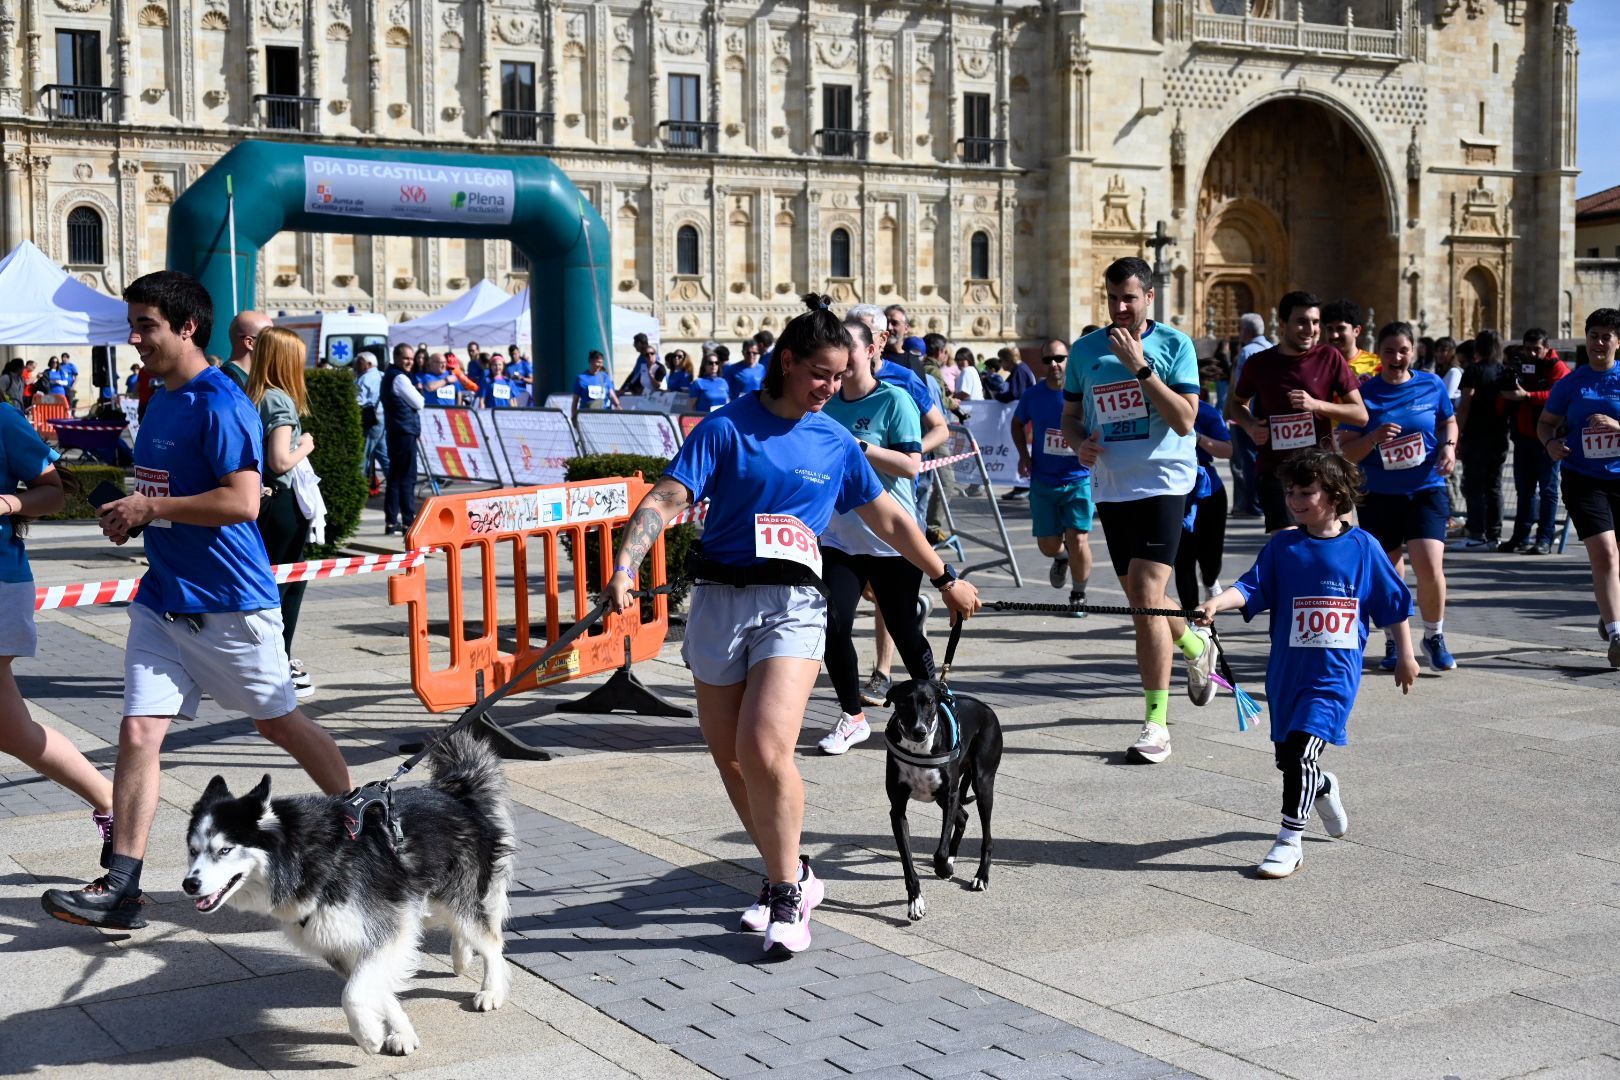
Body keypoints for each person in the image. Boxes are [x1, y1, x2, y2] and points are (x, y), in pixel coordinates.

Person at [602, 294, 981, 958]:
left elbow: (888, 517)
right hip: (721, 600)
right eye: (821, 376)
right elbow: (665, 498)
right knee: (729, 758)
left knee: (765, 747)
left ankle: (783, 891)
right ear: (788, 361)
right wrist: (627, 566)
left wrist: (945, 576)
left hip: (795, 605)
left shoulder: (832, 438)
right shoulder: (725, 428)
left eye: (839, 377)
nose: (831, 390)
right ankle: (797, 870)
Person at [42, 271, 351, 930]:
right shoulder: (160, 400)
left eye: (146, 325)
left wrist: (150, 506)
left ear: (186, 327)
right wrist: (135, 514)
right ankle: (121, 887)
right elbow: (164, 496)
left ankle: (356, 825)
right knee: (137, 733)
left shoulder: (222, 402)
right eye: (133, 324)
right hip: (163, 601)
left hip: (231, 604)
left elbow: (242, 501)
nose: (134, 338)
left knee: (280, 725)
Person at [1197, 449, 1417, 878]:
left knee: (1299, 752)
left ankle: (1288, 841)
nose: (1296, 500)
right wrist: (1217, 603)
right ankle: (1324, 785)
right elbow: (1250, 588)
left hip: (1334, 676)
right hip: (1285, 674)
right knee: (1290, 759)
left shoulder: (1363, 547)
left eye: (1307, 492)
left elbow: (1392, 605)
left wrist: (1405, 655)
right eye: (1290, 492)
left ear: (1335, 496)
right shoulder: (1283, 545)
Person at [1061, 257, 1217, 764]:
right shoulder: (1085, 351)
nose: (1120, 307)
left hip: (1164, 481)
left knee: (1146, 597)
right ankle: (1196, 647)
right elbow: (1069, 416)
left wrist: (1141, 368)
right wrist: (1079, 442)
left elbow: (1184, 420)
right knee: (1141, 596)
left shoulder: (1175, 345)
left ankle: (1156, 723)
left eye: (1129, 297)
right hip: (1112, 487)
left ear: (1150, 296)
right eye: (1112, 298)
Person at [0, 404, 116, 858]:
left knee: (12, 729)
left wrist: (8, 502)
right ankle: (112, 804)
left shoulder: (3, 420)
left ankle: (114, 804)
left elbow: (54, 491)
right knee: (12, 731)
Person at [816, 314, 934, 756]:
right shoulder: (825, 403)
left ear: (870, 351)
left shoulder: (894, 400)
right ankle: (852, 717)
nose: (844, 356)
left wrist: (858, 446)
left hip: (891, 539)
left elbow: (910, 465)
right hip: (840, 539)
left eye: (851, 346)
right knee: (833, 624)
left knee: (905, 631)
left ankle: (939, 709)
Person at [1336, 321, 1459, 672]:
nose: (1396, 357)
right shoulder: (1365, 394)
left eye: (1403, 350)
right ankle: (1394, 639)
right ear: (1380, 355)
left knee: (1429, 565)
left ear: (1414, 351)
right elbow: (1346, 452)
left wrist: (1449, 447)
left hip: (1426, 488)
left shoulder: (1431, 384)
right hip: (1379, 494)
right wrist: (1373, 437)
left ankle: (1433, 635)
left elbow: (1448, 422)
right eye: (1389, 351)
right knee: (1390, 573)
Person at [845, 304, 951, 705]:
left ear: (880, 341)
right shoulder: (835, 382)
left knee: (891, 600)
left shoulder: (903, 380)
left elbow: (939, 428)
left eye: (867, 334)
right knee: (874, 592)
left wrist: (907, 454)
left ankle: (882, 671)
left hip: (898, 498)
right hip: (848, 514)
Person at [1229, 291, 1368, 533]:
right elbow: (1235, 404)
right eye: (1302, 321)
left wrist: (1317, 405)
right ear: (1282, 324)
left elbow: (1360, 414)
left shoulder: (1329, 357)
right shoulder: (1259, 363)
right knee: (1289, 548)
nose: (1311, 329)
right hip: (1276, 472)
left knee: (1327, 544)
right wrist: (1250, 426)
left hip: (1321, 471)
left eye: (1315, 322)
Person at [1539, 308, 1620, 669]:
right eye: (1593, 336)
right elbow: (1546, 423)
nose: (1599, 343)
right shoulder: (1570, 383)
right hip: (1583, 477)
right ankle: (1617, 634)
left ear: (1618, 342)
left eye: (1606, 336)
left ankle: (1609, 614)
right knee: (1604, 552)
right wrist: (1549, 445)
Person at [246, 327, 319, 697]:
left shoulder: (253, 394)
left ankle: (269, 657)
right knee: (289, 581)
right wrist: (305, 445)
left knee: (271, 579)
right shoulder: (280, 401)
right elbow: (280, 459)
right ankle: (281, 660)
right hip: (283, 500)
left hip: (264, 500)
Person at [1012, 342, 1093, 610]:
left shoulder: (1084, 393)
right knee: (1048, 545)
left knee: (1078, 539)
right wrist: (1024, 455)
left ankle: (1079, 593)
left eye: (1059, 358)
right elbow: (1017, 423)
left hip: (1079, 479)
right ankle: (1060, 558)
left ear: (1069, 359)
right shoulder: (1033, 395)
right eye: (1048, 360)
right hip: (1043, 480)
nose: (1054, 364)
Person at [1500, 329, 1569, 554]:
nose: (1531, 352)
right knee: (1525, 491)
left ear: (1546, 348)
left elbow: (1558, 394)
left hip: (1547, 439)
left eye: (1536, 349)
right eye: (1528, 348)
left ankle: (1545, 539)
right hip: (1523, 437)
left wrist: (1528, 396)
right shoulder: (1521, 364)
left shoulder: (1556, 367)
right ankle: (1520, 537)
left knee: (1548, 490)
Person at [1175, 394, 1233, 613]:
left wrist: (1196, 437)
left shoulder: (1205, 411)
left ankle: (1210, 581)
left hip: (1208, 491)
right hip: (1173, 492)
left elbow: (1228, 451)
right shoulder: (1151, 410)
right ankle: (1192, 616)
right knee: (1183, 560)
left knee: (1211, 560)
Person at [1456, 329, 1510, 550]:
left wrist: (1457, 433)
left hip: (1475, 435)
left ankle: (1476, 533)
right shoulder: (1503, 371)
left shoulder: (1473, 371)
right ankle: (1494, 534)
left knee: (1474, 485)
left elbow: (1465, 403)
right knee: (1494, 485)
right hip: (1498, 434)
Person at [382, 342, 423, 537]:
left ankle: (391, 522)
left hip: (395, 431)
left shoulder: (390, 375)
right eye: (406, 358)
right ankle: (409, 520)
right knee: (407, 477)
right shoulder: (399, 378)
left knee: (395, 478)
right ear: (397, 358)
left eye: (411, 358)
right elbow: (419, 402)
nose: (410, 362)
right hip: (404, 432)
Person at [355, 350, 388, 497]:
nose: (356, 365)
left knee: (363, 456)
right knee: (383, 454)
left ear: (368, 364)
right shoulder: (382, 375)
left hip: (371, 420)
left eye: (359, 362)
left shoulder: (364, 379)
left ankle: (359, 490)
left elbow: (358, 401)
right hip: (383, 418)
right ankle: (395, 486)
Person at [1323, 300, 1379, 380]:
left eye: (1341, 328)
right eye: (1329, 329)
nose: (1334, 335)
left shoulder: (1376, 365)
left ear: (1356, 331)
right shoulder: (1317, 365)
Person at [220, 310, 272, 390]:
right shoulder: (230, 383)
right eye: (270, 338)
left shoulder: (244, 379)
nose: (276, 345)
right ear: (250, 343)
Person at [572, 350, 620, 418]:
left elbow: (612, 395)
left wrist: (618, 406)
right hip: (587, 417)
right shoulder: (581, 379)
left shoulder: (605, 377)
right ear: (591, 361)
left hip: (604, 416)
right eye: (598, 362)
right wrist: (574, 416)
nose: (600, 365)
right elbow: (575, 401)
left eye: (601, 363)